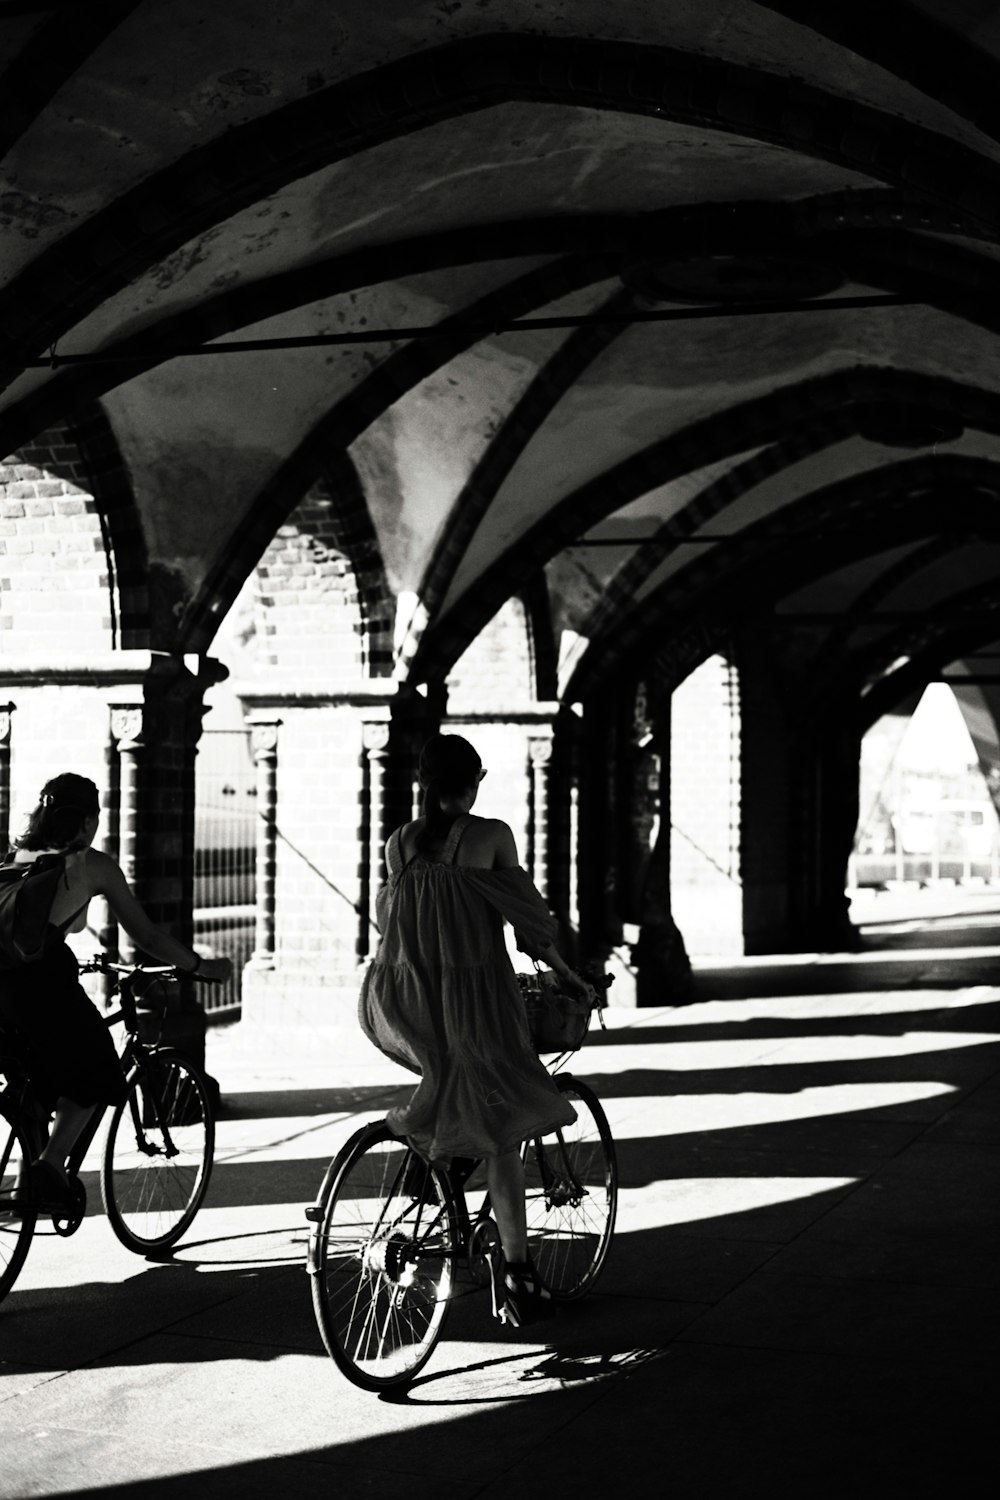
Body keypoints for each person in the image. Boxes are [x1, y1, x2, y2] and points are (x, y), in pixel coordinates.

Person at [359, 733, 597, 1328]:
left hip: (404, 1000)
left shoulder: (398, 843)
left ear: (423, 779)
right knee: (503, 1133)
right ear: (478, 778)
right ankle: (517, 1272)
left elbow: (390, 920)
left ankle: (434, 1168)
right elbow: (530, 932)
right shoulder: (491, 836)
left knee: (453, 1089)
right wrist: (572, 978)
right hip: (474, 1002)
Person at [0, 772, 231, 1210]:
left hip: (2, 985)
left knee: (33, 1074)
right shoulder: (91, 864)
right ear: (88, 821)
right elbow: (147, 937)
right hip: (41, 985)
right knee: (98, 1070)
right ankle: (48, 1167)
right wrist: (202, 966)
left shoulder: (19, 856)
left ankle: (27, 1165)